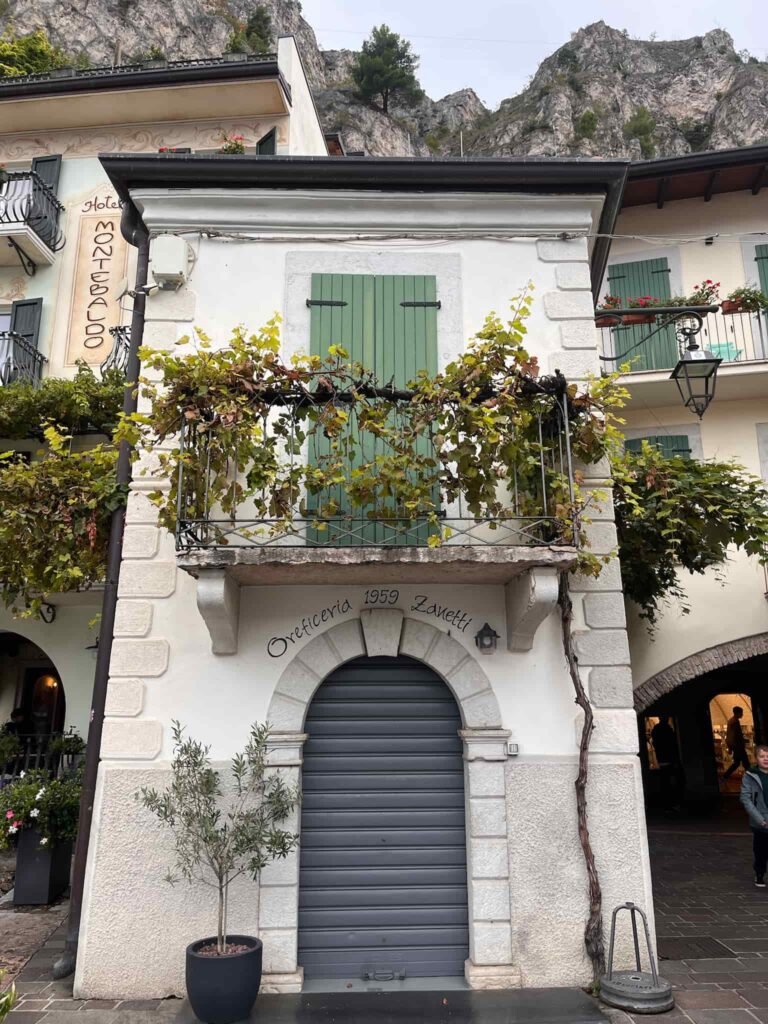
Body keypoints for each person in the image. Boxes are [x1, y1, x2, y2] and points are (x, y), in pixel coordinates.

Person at [740, 744, 768, 887]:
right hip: (761, 820)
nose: (766, 759)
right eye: (762, 756)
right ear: (756, 758)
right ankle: (759, 873)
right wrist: (761, 820)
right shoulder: (750, 775)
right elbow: (746, 798)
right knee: (761, 850)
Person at [651, 716, 682, 811]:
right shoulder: (668, 729)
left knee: (665, 781)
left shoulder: (656, 729)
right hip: (669, 758)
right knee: (671, 780)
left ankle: (666, 803)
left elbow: (655, 742)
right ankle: (671, 802)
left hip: (661, 758)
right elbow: (673, 744)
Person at [723, 706, 750, 779]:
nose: (742, 714)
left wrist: (730, 747)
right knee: (746, 764)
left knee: (737, 763)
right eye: (741, 712)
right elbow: (733, 736)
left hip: (736, 747)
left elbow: (729, 736)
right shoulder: (735, 722)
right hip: (738, 747)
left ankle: (725, 777)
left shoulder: (731, 721)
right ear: (738, 713)